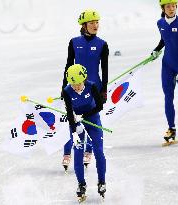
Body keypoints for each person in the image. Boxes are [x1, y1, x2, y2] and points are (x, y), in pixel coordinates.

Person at [61, 9, 109, 169]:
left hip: (94, 88)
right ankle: (67, 152)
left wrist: (104, 90)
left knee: (90, 119)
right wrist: (63, 87)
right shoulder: (74, 42)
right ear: (84, 25)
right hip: (74, 86)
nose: (95, 25)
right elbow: (68, 65)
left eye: (97, 22)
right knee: (72, 119)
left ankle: (89, 150)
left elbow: (105, 69)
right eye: (91, 23)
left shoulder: (102, 44)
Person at [151, 0, 178, 145]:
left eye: (173, 6)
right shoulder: (160, 23)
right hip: (167, 65)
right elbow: (164, 40)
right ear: (163, 8)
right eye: (168, 6)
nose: (171, 8)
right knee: (168, 97)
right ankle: (171, 128)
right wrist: (156, 49)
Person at [63, 64, 106, 201]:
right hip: (76, 122)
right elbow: (70, 113)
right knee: (78, 151)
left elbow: (100, 106)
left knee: (98, 150)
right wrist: (75, 131)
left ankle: (101, 181)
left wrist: (85, 115)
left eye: (78, 84)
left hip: (92, 119)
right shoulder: (67, 91)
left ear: (84, 79)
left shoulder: (91, 86)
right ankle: (81, 184)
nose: (76, 87)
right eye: (73, 84)